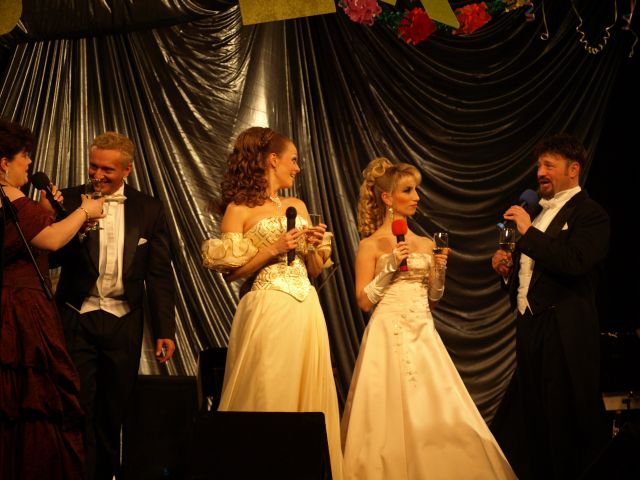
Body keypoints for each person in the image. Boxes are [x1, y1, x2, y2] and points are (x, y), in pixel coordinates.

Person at [341, 157, 516, 479]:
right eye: (408, 190)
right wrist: (389, 267)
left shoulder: (424, 242)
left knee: (435, 405)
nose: (417, 197)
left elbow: (433, 300)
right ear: (387, 198)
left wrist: (440, 272)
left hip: (422, 331)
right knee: (386, 416)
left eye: (416, 190)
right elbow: (364, 301)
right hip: (388, 333)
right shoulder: (370, 245)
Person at [201, 126, 343, 479]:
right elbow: (232, 274)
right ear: (272, 159)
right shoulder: (239, 209)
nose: (297, 167)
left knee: (307, 390)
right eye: (293, 160)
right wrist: (272, 249)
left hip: (305, 307)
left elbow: (314, 269)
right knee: (268, 386)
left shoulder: (299, 206)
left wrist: (314, 245)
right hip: (267, 305)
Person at [52, 131, 176, 480]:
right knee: (76, 408)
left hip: (124, 322)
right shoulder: (70, 199)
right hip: (77, 317)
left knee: (113, 411)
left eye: (107, 169)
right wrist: (77, 226)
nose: (97, 175)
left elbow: (159, 275)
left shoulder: (149, 208)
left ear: (127, 170)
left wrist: (165, 330)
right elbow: (49, 258)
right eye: (93, 166)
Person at [491, 133, 610, 479]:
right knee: (534, 425)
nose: (540, 172)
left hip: (564, 334)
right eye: (539, 165)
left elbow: (574, 262)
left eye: (549, 165)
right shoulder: (538, 214)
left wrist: (528, 233)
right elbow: (533, 274)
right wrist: (507, 272)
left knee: (564, 427)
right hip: (530, 329)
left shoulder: (591, 214)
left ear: (573, 170)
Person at [0, 119, 103, 479]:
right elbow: (52, 240)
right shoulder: (12, 199)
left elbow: (31, 248)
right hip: (20, 312)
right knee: (30, 397)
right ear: (4, 163)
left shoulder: (17, 204)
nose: (29, 162)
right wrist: (84, 211)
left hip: (17, 302)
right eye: (24, 156)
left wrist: (49, 213)